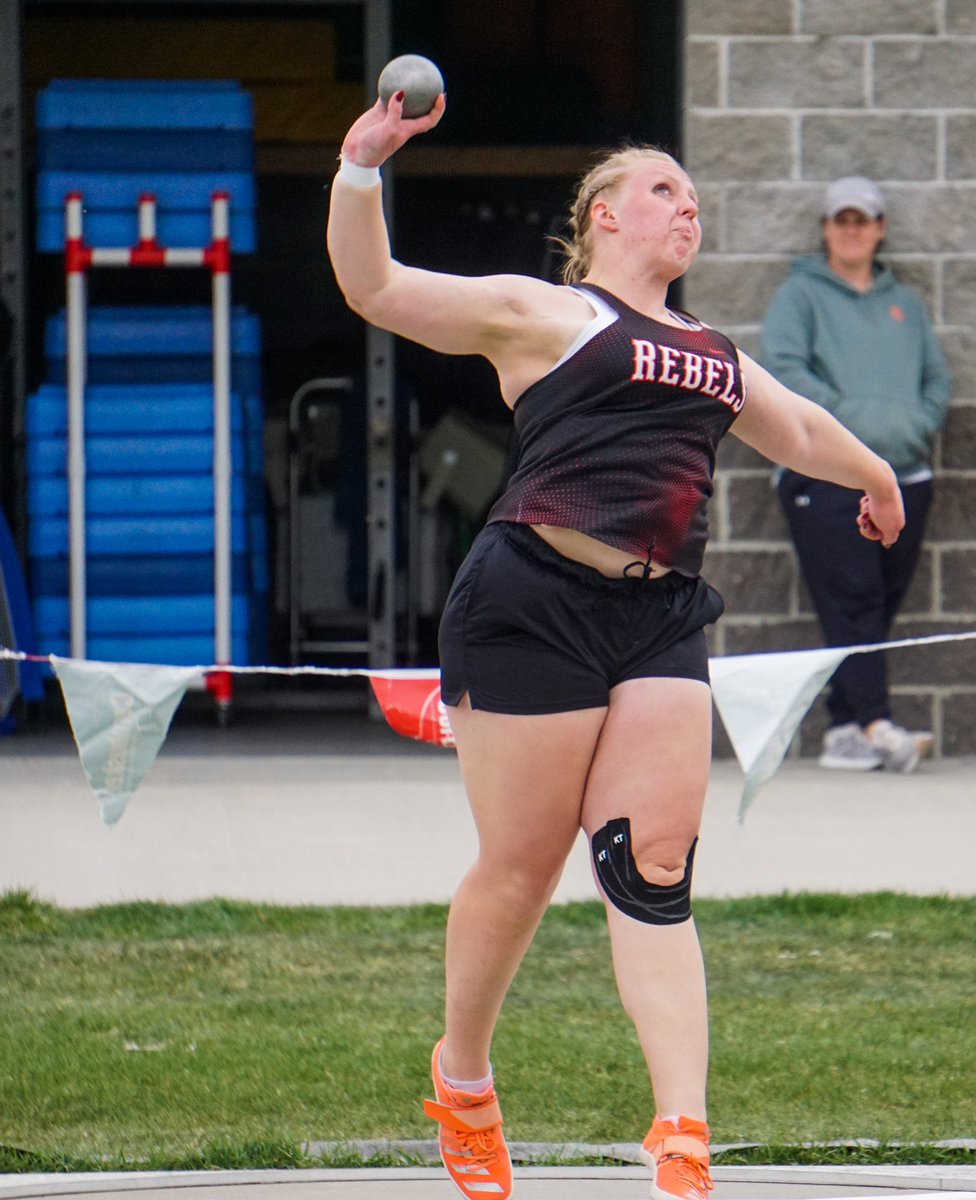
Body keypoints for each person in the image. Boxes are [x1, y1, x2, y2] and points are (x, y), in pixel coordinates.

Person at [328, 94, 905, 1200]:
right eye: (660, 190)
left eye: (694, 197)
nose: (686, 207)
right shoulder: (545, 315)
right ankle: (464, 1081)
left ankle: (682, 1134)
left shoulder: (710, 350)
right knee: (522, 872)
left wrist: (874, 476)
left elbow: (798, 428)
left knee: (653, 868)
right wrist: (361, 169)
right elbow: (377, 289)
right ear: (600, 216)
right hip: (529, 601)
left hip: (658, 616)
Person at [761, 176, 952, 775]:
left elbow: (937, 381)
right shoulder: (800, 296)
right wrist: (863, 434)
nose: (851, 229)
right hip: (827, 481)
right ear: (825, 229)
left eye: (862, 219)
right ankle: (875, 724)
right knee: (855, 601)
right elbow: (786, 374)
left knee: (879, 605)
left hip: (909, 476)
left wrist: (913, 429)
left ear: (880, 229)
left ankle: (844, 730)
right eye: (840, 219)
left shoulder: (906, 304)